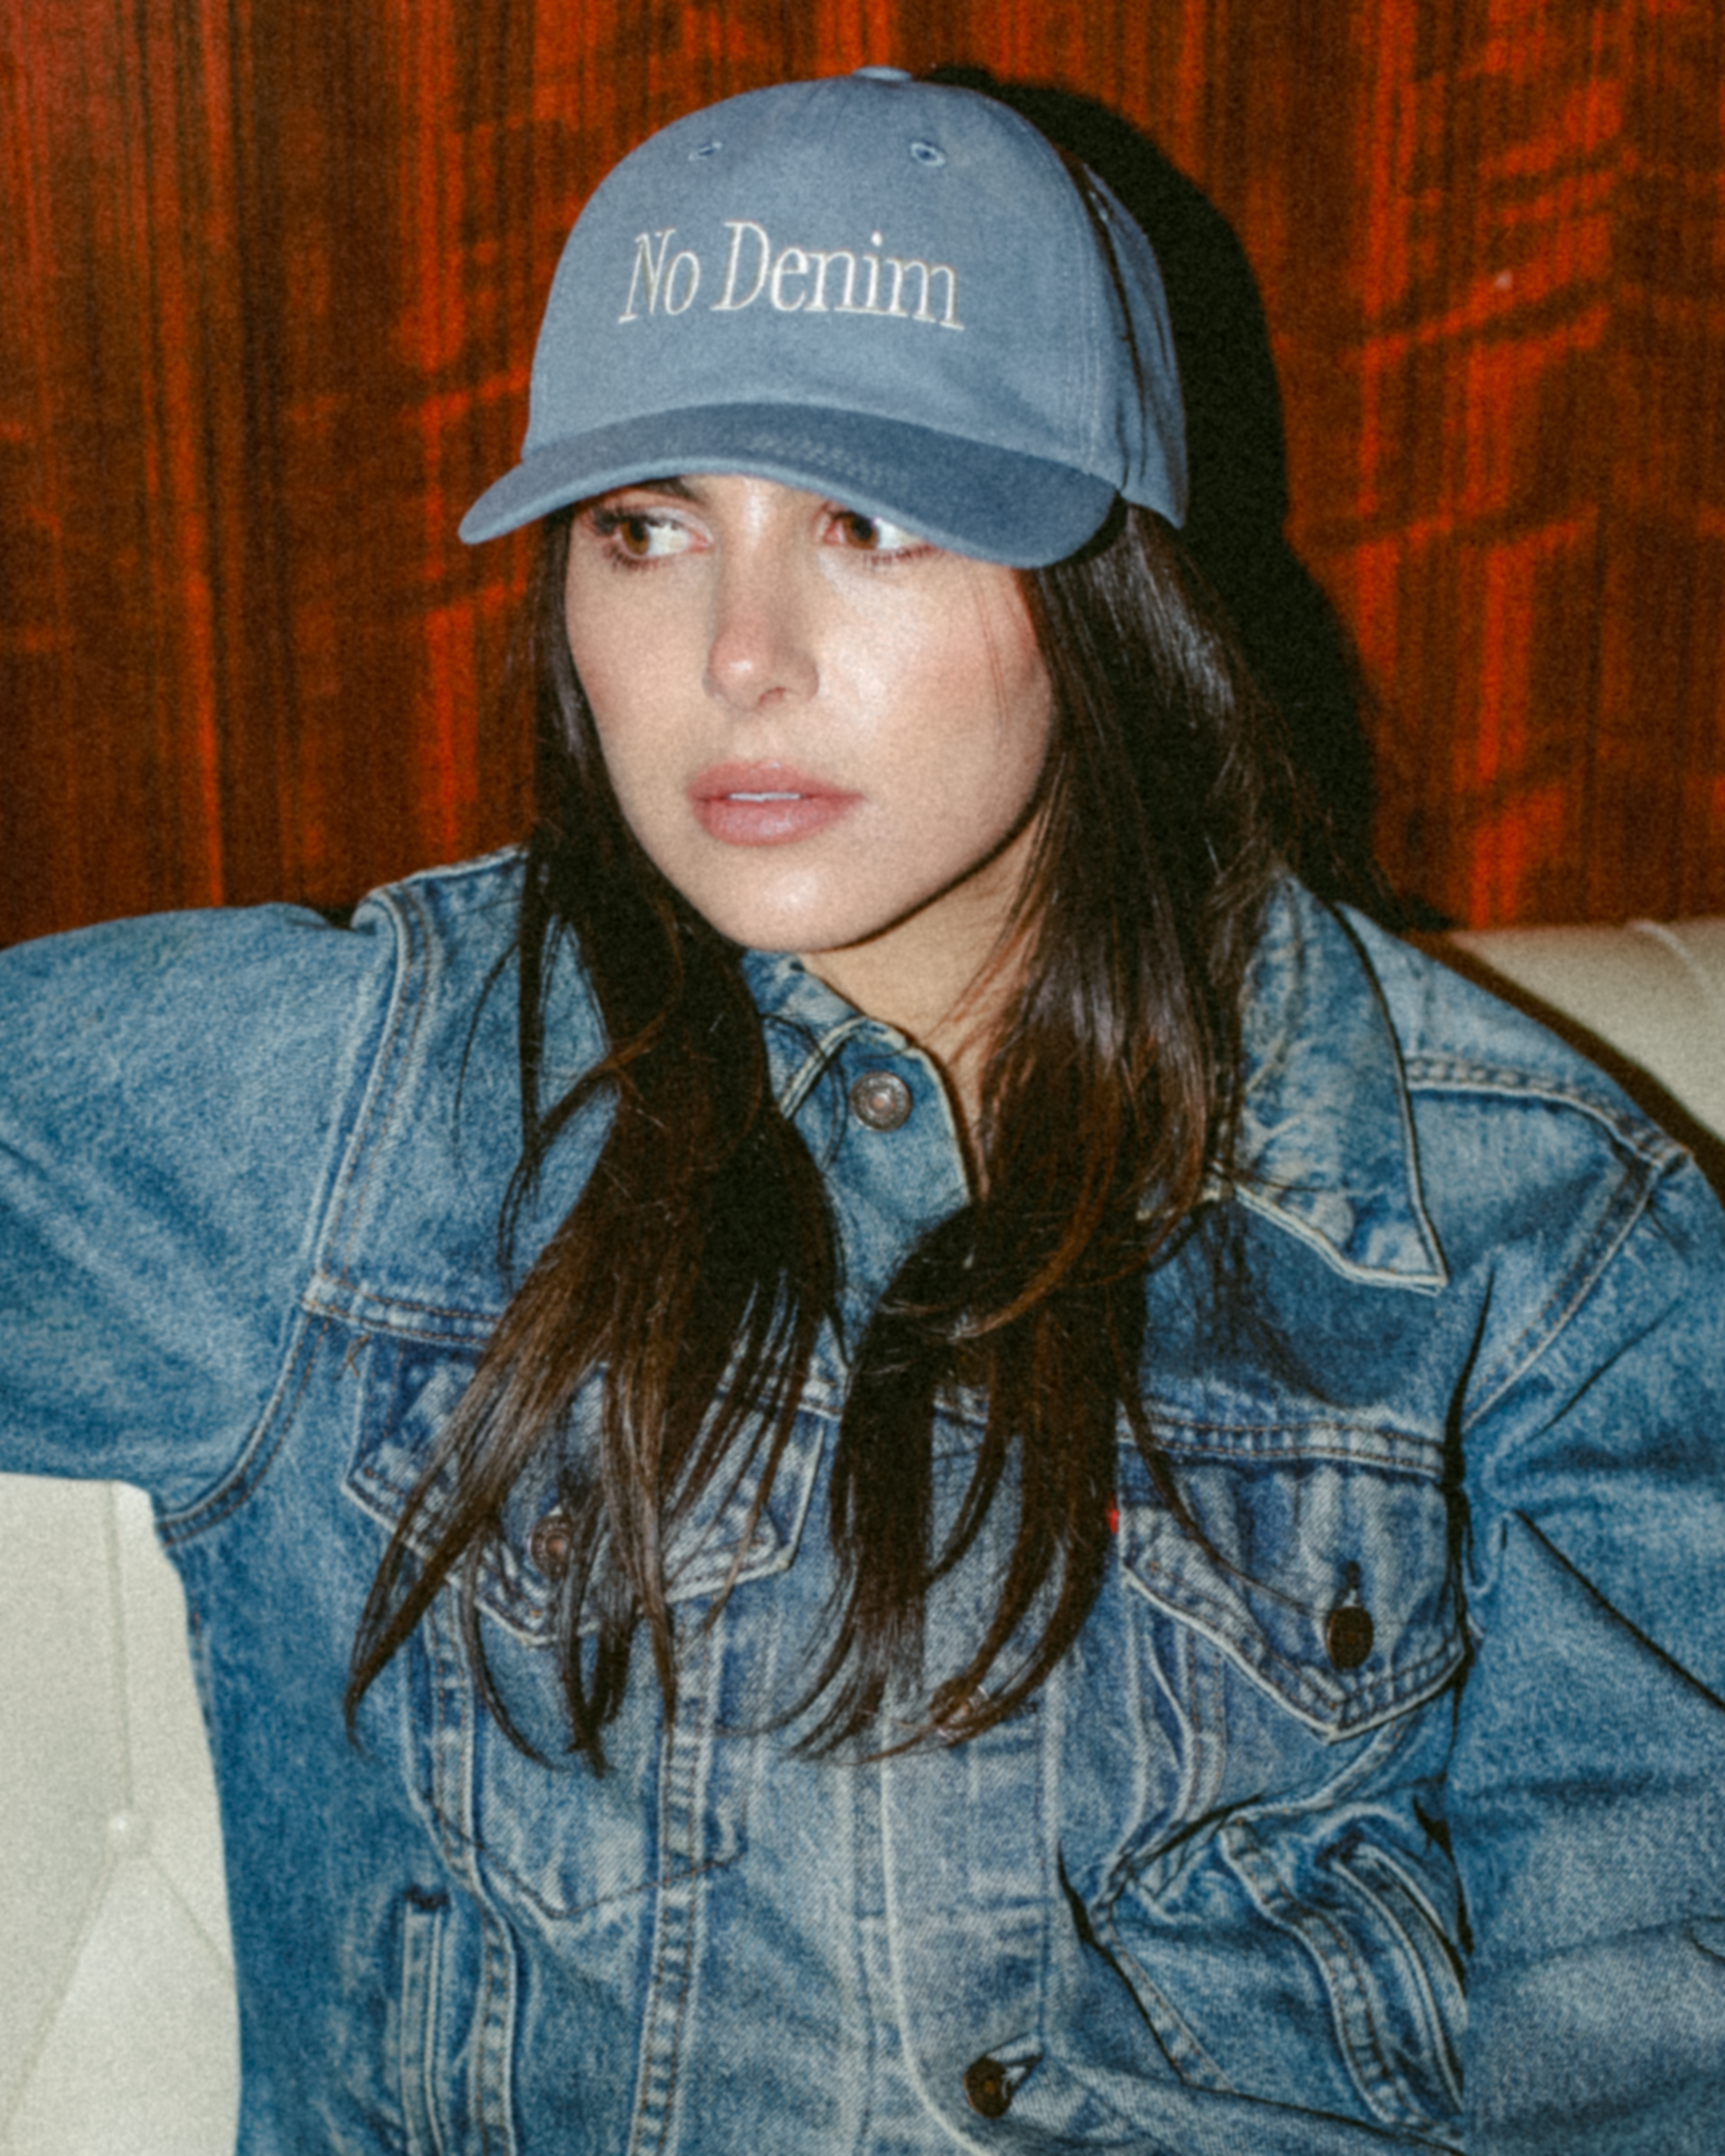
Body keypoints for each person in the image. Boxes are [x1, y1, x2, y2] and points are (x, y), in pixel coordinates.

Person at [3, 66, 1723, 2156]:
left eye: (869, 525)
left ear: (1103, 582)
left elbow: (1647, 2035)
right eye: (647, 531)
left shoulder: (1527, 1228)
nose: (739, 654)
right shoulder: (347, 1101)